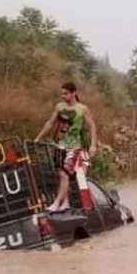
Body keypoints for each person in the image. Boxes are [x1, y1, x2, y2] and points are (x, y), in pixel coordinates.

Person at [34, 82, 98, 212]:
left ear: (73, 93)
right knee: (62, 175)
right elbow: (50, 123)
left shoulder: (82, 108)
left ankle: (56, 203)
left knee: (65, 174)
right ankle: (66, 202)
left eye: (66, 93)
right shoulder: (59, 107)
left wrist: (93, 145)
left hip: (74, 146)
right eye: (62, 93)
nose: (63, 96)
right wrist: (38, 138)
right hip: (59, 145)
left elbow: (92, 126)